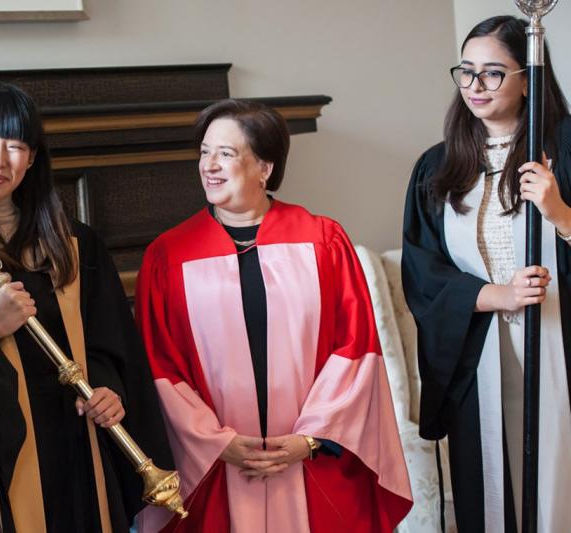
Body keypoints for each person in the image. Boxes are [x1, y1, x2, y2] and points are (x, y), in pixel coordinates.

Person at [134, 98, 412, 533]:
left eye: (225, 153)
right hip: (213, 467)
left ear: (265, 167)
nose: (209, 164)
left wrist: (311, 438)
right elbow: (159, 363)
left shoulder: (323, 241)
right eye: (204, 152)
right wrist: (217, 442)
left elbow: (356, 348)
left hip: (312, 461)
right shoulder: (169, 255)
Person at [0, 82, 175, 533]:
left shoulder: (74, 243)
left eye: (15, 146)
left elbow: (109, 341)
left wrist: (109, 390)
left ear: (32, 158)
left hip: (74, 442)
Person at [402, 15, 571, 531]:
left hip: (560, 348)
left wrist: (560, 212)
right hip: (477, 353)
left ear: (529, 77)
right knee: (494, 489)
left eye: (494, 73)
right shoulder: (437, 166)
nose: (476, 86)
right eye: (467, 72)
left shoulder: (564, 151)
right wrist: (495, 295)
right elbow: (422, 270)